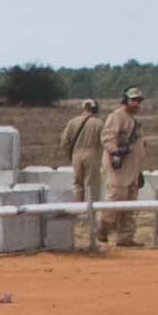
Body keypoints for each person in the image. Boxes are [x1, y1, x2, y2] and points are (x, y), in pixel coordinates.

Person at [57, 92, 112, 249]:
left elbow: (64, 140)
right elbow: (105, 140)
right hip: (92, 154)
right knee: (92, 185)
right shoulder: (98, 123)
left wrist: (71, 153)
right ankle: (92, 215)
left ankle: (77, 210)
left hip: (76, 154)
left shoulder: (73, 122)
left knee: (78, 184)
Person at [103, 86, 148, 249]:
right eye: (133, 100)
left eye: (138, 100)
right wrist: (115, 152)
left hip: (133, 169)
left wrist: (139, 171)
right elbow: (108, 137)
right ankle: (103, 230)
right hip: (119, 167)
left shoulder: (134, 120)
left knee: (130, 204)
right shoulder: (117, 116)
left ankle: (125, 238)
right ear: (125, 100)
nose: (136, 103)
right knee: (116, 199)